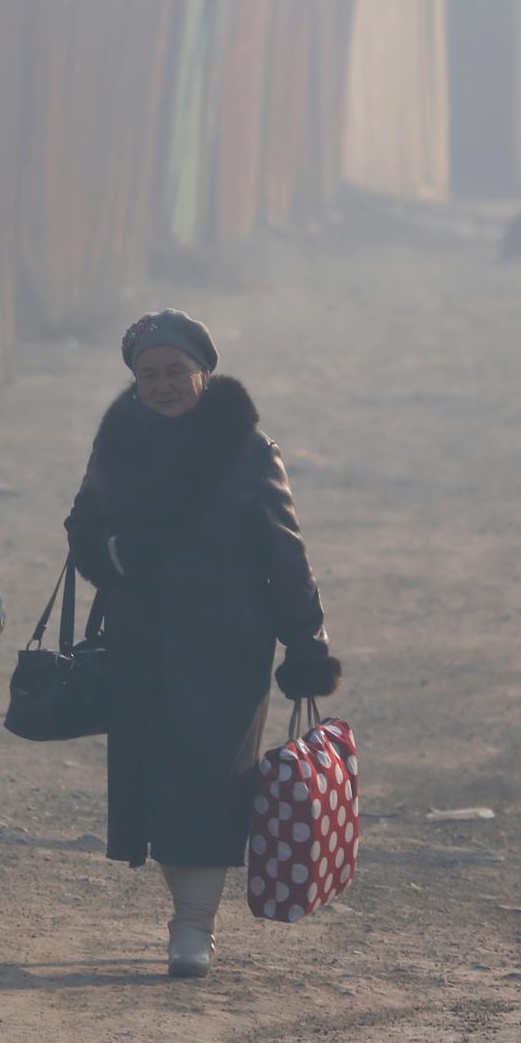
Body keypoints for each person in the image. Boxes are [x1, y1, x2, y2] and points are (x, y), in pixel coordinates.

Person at [64, 310, 341, 978]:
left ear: (203, 374)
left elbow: (286, 554)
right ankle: (186, 912)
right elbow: (82, 525)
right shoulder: (118, 444)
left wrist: (306, 642)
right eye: (148, 375)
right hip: (142, 643)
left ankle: (193, 926)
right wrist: (112, 554)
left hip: (227, 646)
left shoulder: (247, 451)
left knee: (212, 784)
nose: (162, 385)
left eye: (176, 372)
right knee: (159, 786)